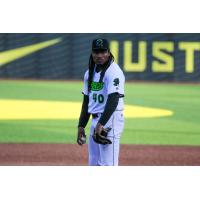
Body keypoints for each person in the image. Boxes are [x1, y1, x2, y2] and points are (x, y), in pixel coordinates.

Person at [77, 38, 125, 166]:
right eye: (96, 52)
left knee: (108, 164)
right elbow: (87, 101)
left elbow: (113, 99)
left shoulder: (114, 72)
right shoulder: (89, 73)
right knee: (94, 163)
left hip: (110, 120)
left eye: (103, 52)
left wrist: (101, 124)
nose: (99, 55)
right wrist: (81, 125)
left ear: (108, 52)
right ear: (92, 53)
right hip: (96, 120)